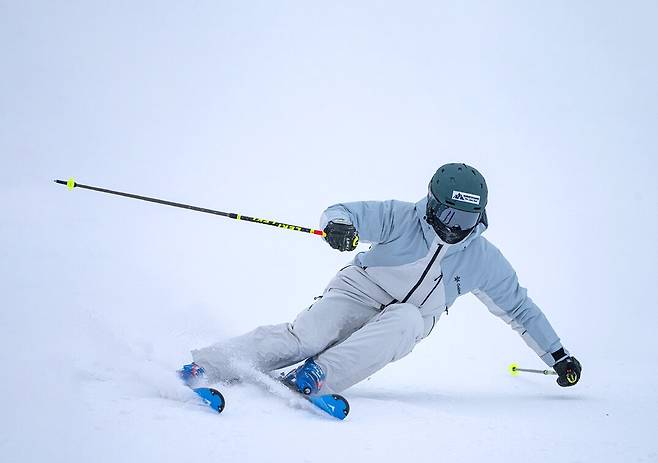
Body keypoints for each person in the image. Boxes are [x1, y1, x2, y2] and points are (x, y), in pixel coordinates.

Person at [181, 163, 582, 395]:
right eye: (448, 217)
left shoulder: (483, 259)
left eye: (466, 220)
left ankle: (317, 377)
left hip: (406, 316)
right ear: (432, 205)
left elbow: (519, 309)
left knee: (409, 320)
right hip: (360, 290)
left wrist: (557, 355)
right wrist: (338, 227)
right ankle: (210, 364)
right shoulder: (401, 216)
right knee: (306, 336)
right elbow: (342, 211)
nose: (454, 228)